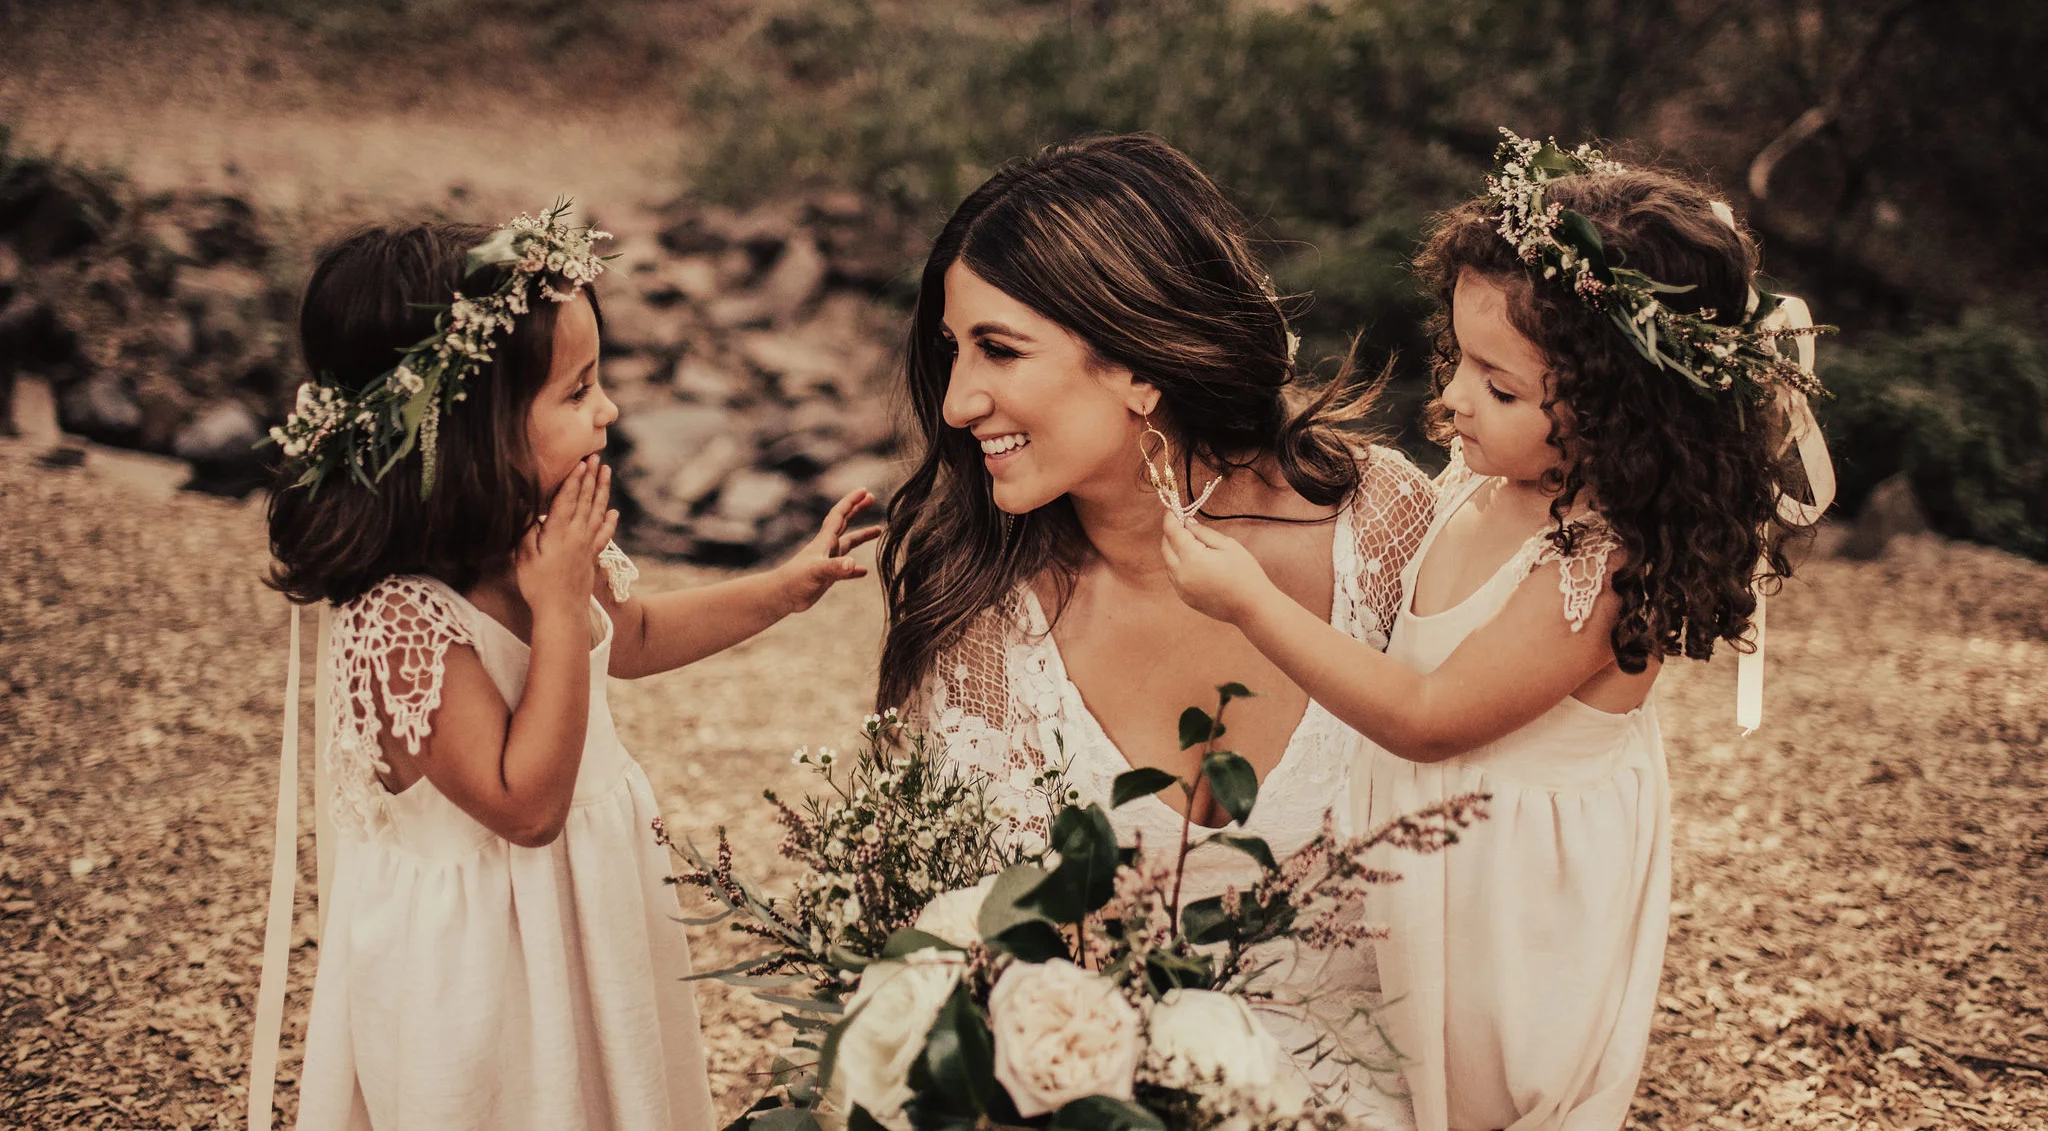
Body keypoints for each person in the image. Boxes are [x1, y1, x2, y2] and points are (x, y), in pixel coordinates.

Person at [1160, 133, 1834, 1131]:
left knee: (1473, 1085)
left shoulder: (1600, 561)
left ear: (1622, 415)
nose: (1453, 397)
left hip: (1513, 894)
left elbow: (1430, 715)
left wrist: (1250, 601)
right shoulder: (1487, 477)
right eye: (1457, 359)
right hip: (1433, 855)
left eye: (1499, 386)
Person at [265, 212, 879, 1131]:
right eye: (579, 390)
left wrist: (782, 590)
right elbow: (526, 805)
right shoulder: (397, 622)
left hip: (588, 919)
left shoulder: (543, 533)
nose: (610, 411)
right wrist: (554, 604)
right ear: (469, 429)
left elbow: (626, 637)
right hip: (480, 974)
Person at [877, 134, 1436, 1124]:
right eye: (950, 350)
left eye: (998, 348)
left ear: (1138, 364)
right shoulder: (976, 613)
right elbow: (932, 947)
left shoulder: (1379, 533)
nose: (959, 400)